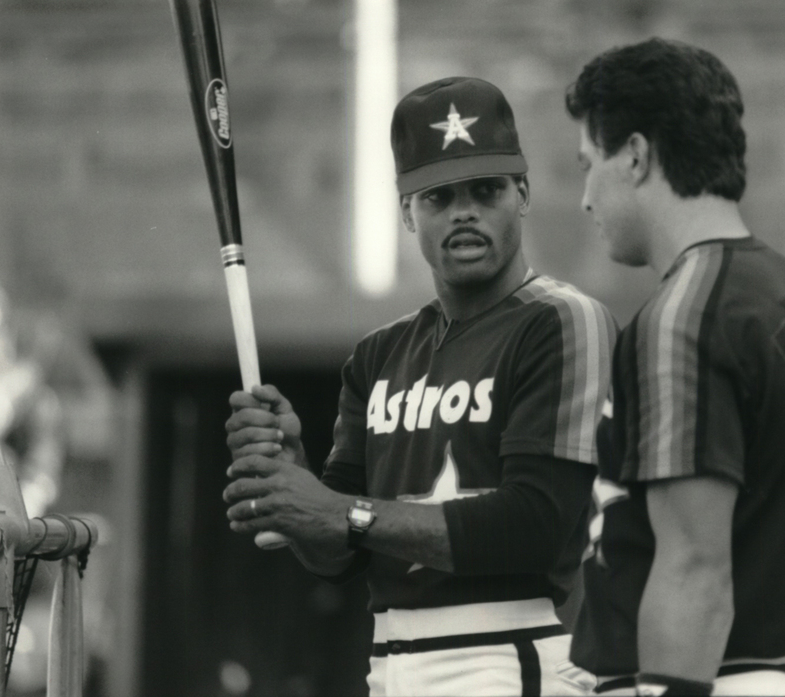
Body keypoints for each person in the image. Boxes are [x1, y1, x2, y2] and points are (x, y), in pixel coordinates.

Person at [223, 76, 615, 697]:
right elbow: (341, 556)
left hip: (513, 654)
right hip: (390, 661)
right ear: (407, 210)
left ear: (523, 194)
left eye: (486, 190)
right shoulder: (378, 355)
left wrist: (336, 511)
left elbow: (535, 523)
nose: (464, 211)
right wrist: (291, 484)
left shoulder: (561, 319)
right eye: (438, 196)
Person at [563, 39, 785, 696]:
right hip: (768, 674)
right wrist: (770, 624)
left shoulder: (687, 313)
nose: (585, 197)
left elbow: (694, 567)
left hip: (696, 678)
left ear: (636, 155)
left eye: (587, 163)